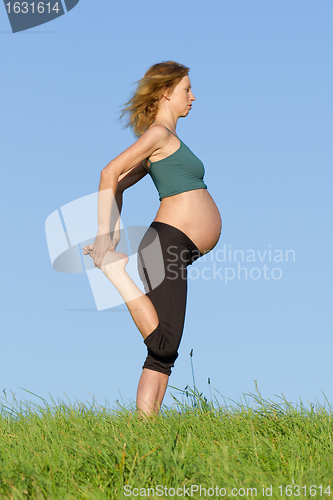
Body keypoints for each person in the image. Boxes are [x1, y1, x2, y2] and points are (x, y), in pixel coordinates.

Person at [82, 61, 222, 417]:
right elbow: (108, 172)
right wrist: (103, 238)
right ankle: (115, 272)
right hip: (165, 244)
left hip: (172, 246)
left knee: (163, 353)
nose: (193, 97)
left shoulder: (167, 142)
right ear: (165, 92)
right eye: (187, 89)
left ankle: (145, 431)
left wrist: (112, 233)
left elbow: (119, 186)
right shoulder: (159, 134)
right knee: (164, 344)